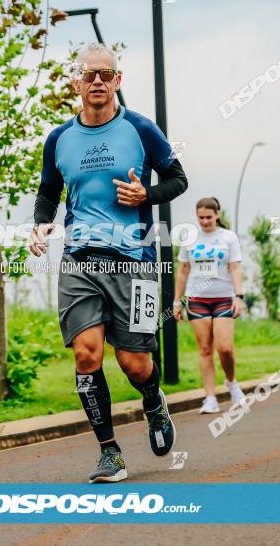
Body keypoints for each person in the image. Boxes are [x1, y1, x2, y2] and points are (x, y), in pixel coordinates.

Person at [29, 43, 188, 483]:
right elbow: (48, 191)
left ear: (118, 80)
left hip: (134, 260)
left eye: (106, 74)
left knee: (134, 363)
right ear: (76, 82)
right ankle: (110, 452)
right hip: (79, 259)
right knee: (86, 354)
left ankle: (153, 400)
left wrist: (147, 195)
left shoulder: (140, 129)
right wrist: (41, 224)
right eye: (89, 75)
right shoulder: (59, 139)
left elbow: (178, 179)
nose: (97, 82)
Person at [173, 197, 247, 414]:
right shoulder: (190, 238)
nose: (205, 222)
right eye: (200, 218)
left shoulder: (228, 237)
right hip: (197, 299)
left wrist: (239, 296)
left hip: (223, 297)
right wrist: (177, 300)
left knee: (225, 348)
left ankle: (232, 383)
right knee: (205, 349)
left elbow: (235, 268)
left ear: (217, 215)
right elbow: (183, 270)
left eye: (208, 217)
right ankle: (210, 398)